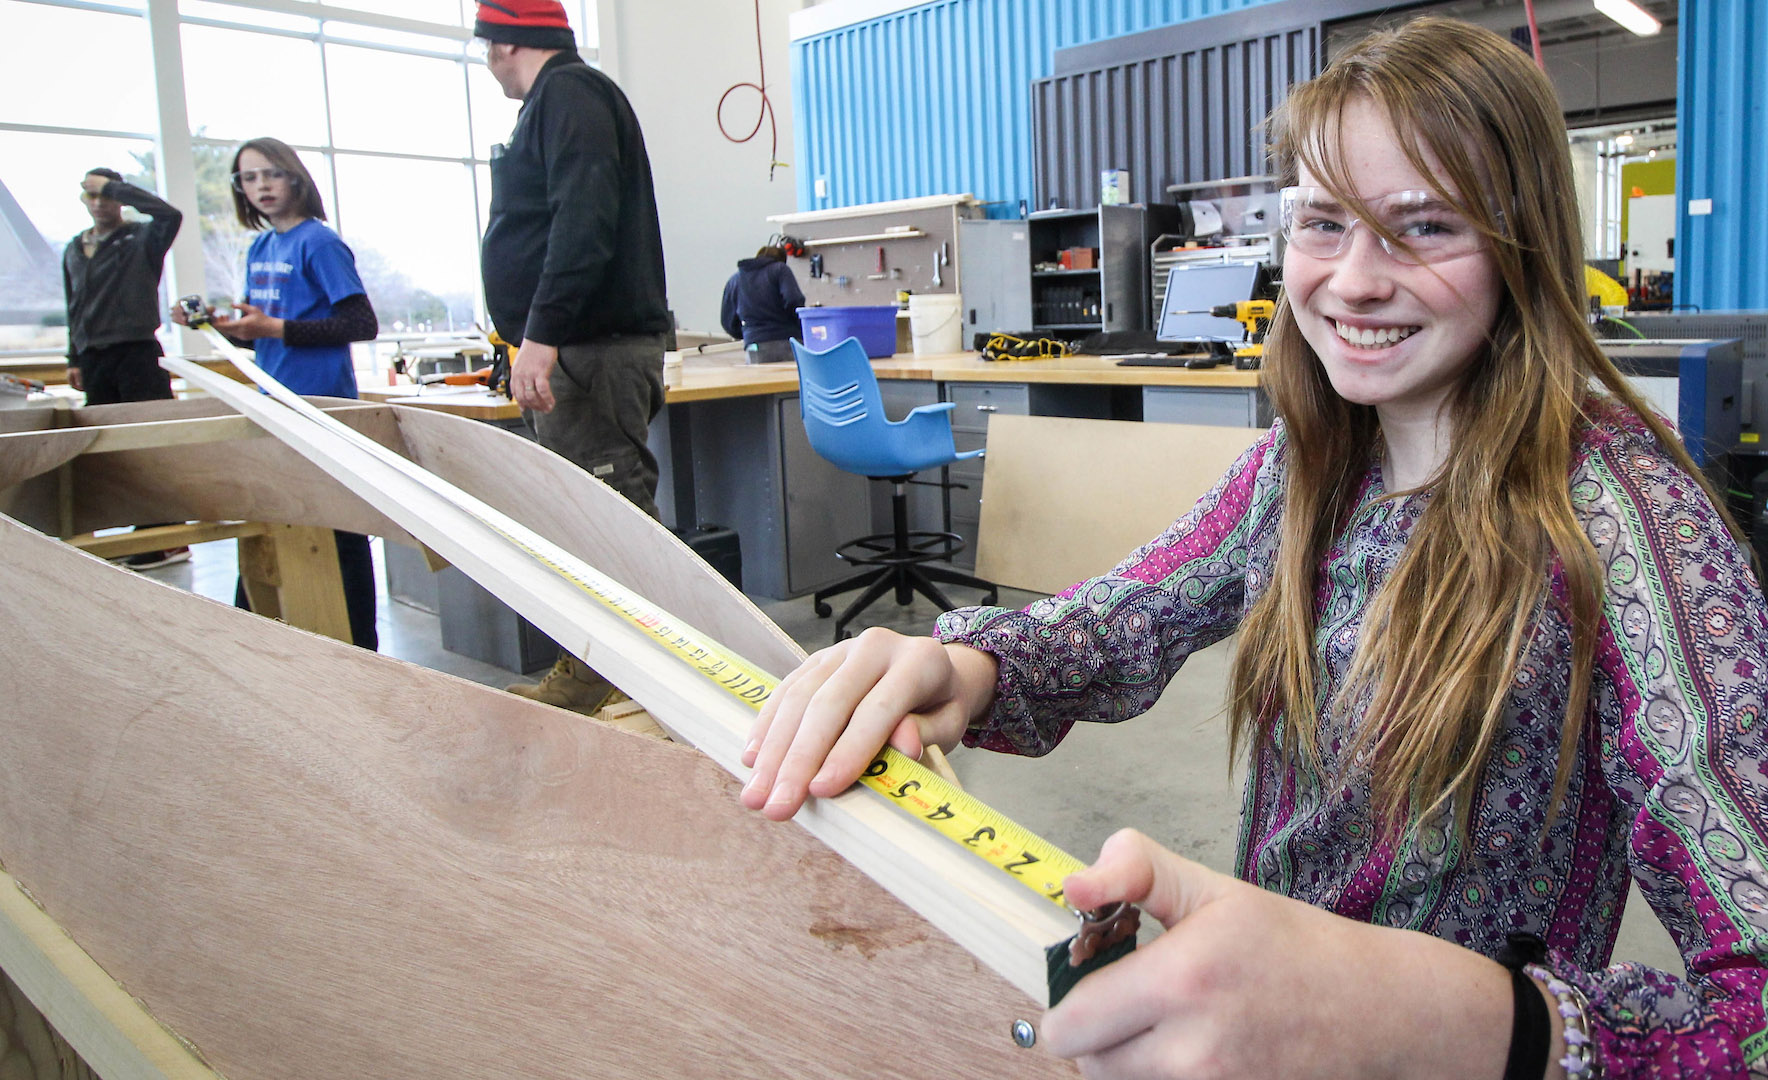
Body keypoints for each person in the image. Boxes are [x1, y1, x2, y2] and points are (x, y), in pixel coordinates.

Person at [740, 18, 1768, 1079]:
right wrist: (967, 662)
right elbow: (1126, 614)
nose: (1357, 281)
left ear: (1525, 243)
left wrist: (1434, 1018)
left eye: (1422, 228)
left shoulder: (1630, 526)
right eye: (1326, 224)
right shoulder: (1308, 461)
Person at [473, 0, 674, 714]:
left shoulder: (571, 94)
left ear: (501, 45)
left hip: (591, 351)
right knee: (590, 521)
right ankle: (604, 671)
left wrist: (541, 334)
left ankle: (654, 682)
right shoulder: (560, 102)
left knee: (611, 521)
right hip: (583, 349)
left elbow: (584, 216)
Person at [171, 137, 380, 651]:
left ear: (295, 177)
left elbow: (361, 322)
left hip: (321, 406)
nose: (260, 186)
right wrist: (223, 325)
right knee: (271, 524)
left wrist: (275, 330)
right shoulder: (261, 248)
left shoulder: (319, 243)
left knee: (340, 529)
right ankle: (262, 638)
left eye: (271, 174)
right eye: (249, 178)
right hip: (273, 402)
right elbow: (265, 324)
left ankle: (361, 649)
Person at [64, 166, 188, 569]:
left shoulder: (142, 238)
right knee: (112, 449)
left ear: (120, 197)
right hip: (95, 358)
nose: (99, 202)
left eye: (106, 194)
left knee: (150, 444)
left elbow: (170, 215)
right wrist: (74, 357)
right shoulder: (73, 248)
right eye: (91, 195)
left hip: (137, 353)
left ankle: (167, 534)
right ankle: (139, 527)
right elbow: (74, 305)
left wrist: (119, 188)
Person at [720, 242, 804, 364]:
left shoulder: (735, 279)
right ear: (781, 260)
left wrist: (750, 332)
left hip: (754, 344)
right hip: (787, 340)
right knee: (790, 381)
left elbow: (727, 321)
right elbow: (794, 299)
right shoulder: (780, 269)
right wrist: (797, 326)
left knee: (760, 381)